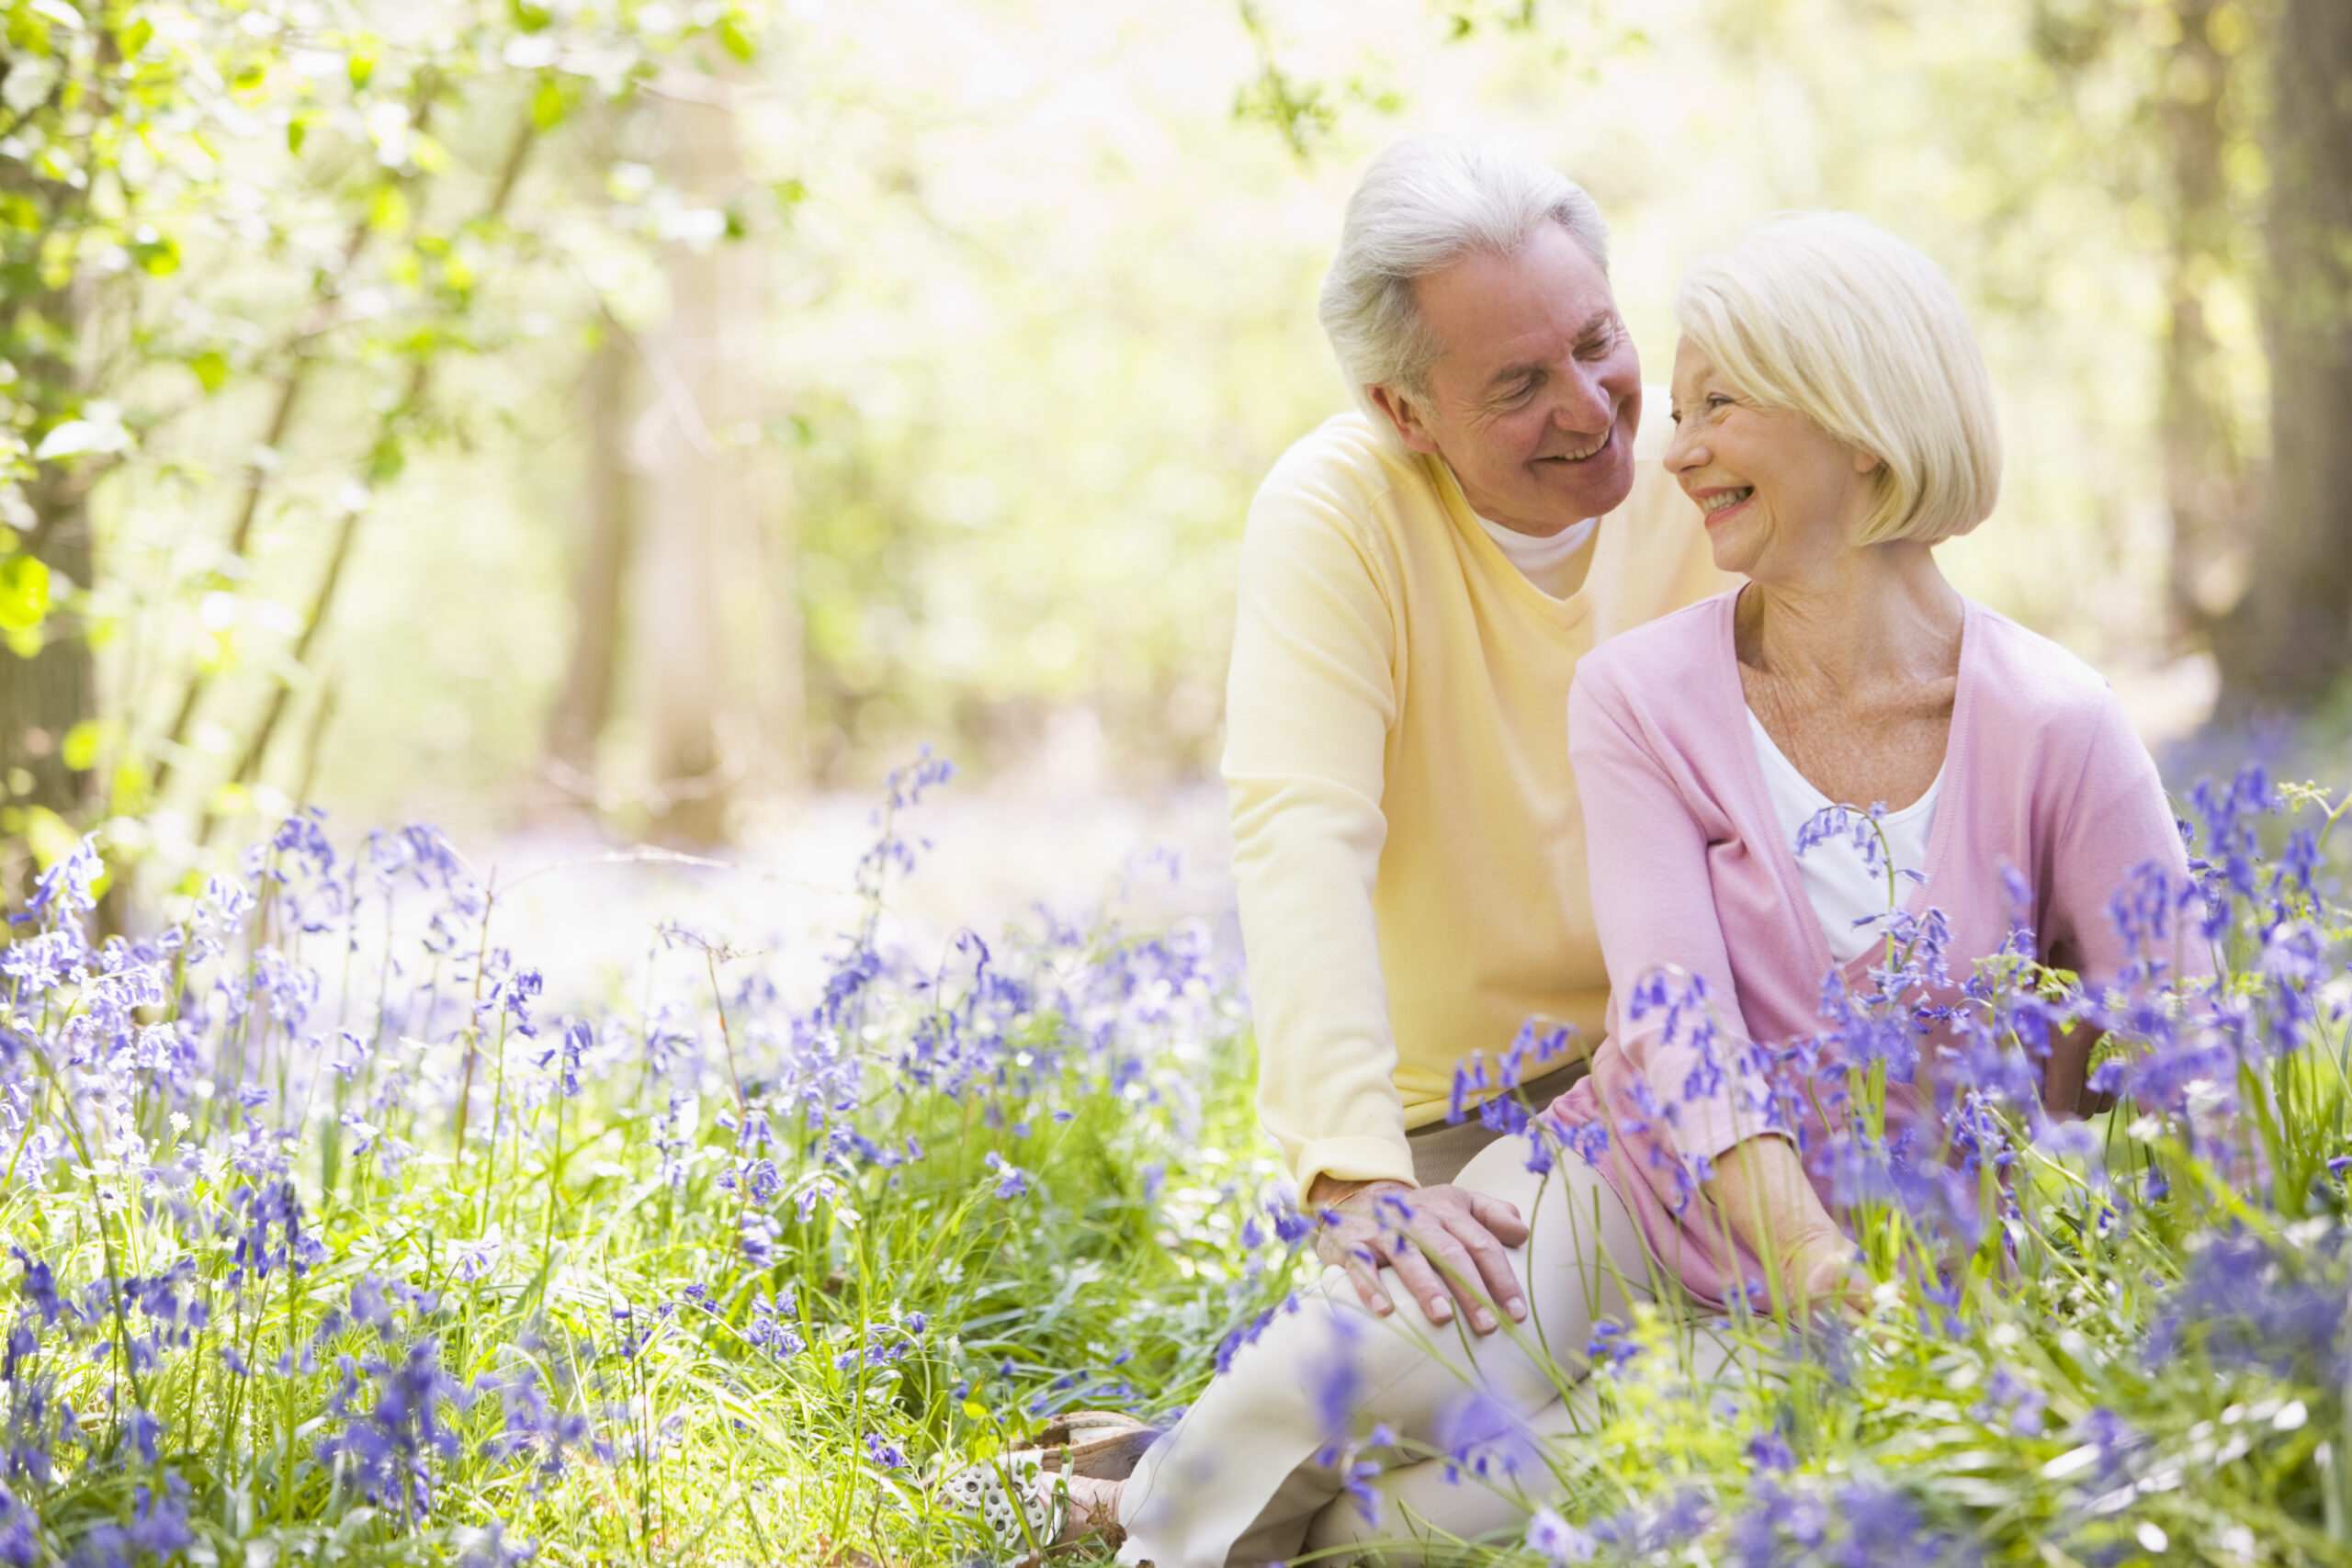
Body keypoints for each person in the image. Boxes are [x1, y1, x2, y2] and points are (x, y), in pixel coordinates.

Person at [992, 211, 2203, 1565]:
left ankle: (1152, 1505)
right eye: (1675, 407)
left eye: (1716, 405)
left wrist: (2156, 1297)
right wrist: (1819, 1276)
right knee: (1301, 1396)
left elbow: (2188, 1055)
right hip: (1624, 1180)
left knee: (1437, 1524)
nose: (1668, 451)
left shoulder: (2059, 724)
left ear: (1860, 424)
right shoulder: (1643, 693)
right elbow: (1678, 1029)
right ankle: (1147, 1513)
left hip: (1886, 1265)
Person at [1226, 134, 1728, 1342]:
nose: (1587, 406)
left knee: (1698, 1377)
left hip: (1683, 1066)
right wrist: (1358, 1178)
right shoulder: (1338, 512)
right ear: (1406, 410)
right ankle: (1162, 1498)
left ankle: (1149, 1485)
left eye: (1597, 341)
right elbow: (1300, 835)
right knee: (1432, 1365)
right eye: (1516, 385)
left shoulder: (1704, 469)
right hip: (1456, 1108)